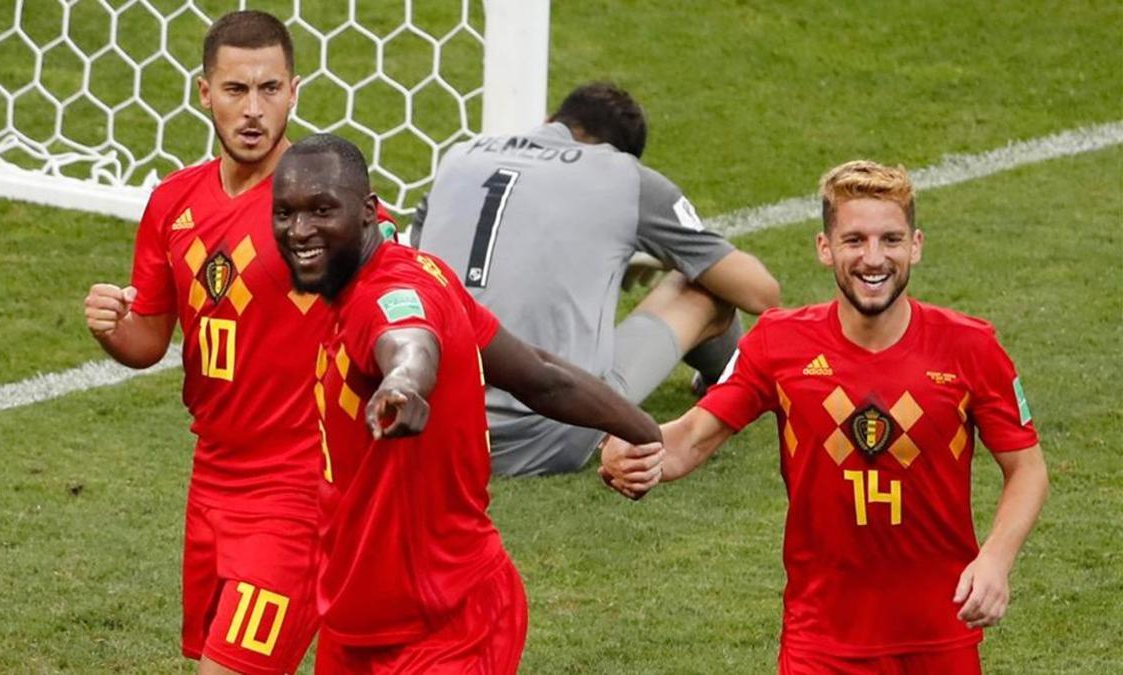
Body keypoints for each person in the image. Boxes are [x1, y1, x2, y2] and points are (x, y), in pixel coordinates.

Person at [600, 160, 1049, 674]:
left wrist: (996, 558)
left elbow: (1027, 469)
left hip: (939, 636)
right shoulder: (777, 343)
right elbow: (689, 440)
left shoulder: (971, 347)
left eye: (891, 240)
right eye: (854, 240)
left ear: (916, 246)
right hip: (822, 643)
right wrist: (631, 447)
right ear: (825, 248)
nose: (873, 258)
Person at [271, 133, 663, 673]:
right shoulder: (405, 273)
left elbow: (409, 343)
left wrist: (403, 386)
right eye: (285, 213)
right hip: (355, 618)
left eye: (321, 211)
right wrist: (643, 427)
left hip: (444, 626)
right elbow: (539, 375)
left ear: (366, 212)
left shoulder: (386, 299)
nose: (299, 232)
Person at [82, 12, 393, 674]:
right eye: (235, 90)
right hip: (212, 478)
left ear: (295, 91)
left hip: (300, 488)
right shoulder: (173, 202)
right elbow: (150, 341)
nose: (253, 110)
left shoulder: (322, 199)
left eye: (270, 89)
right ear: (204, 92)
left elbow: (401, 288)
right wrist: (113, 329)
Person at [410, 82, 781, 477]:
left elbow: (418, 261)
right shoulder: (625, 177)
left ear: (550, 121)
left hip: (429, 422)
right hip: (540, 434)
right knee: (708, 290)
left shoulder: (460, 156)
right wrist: (662, 257)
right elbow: (761, 293)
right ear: (621, 154)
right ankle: (723, 387)